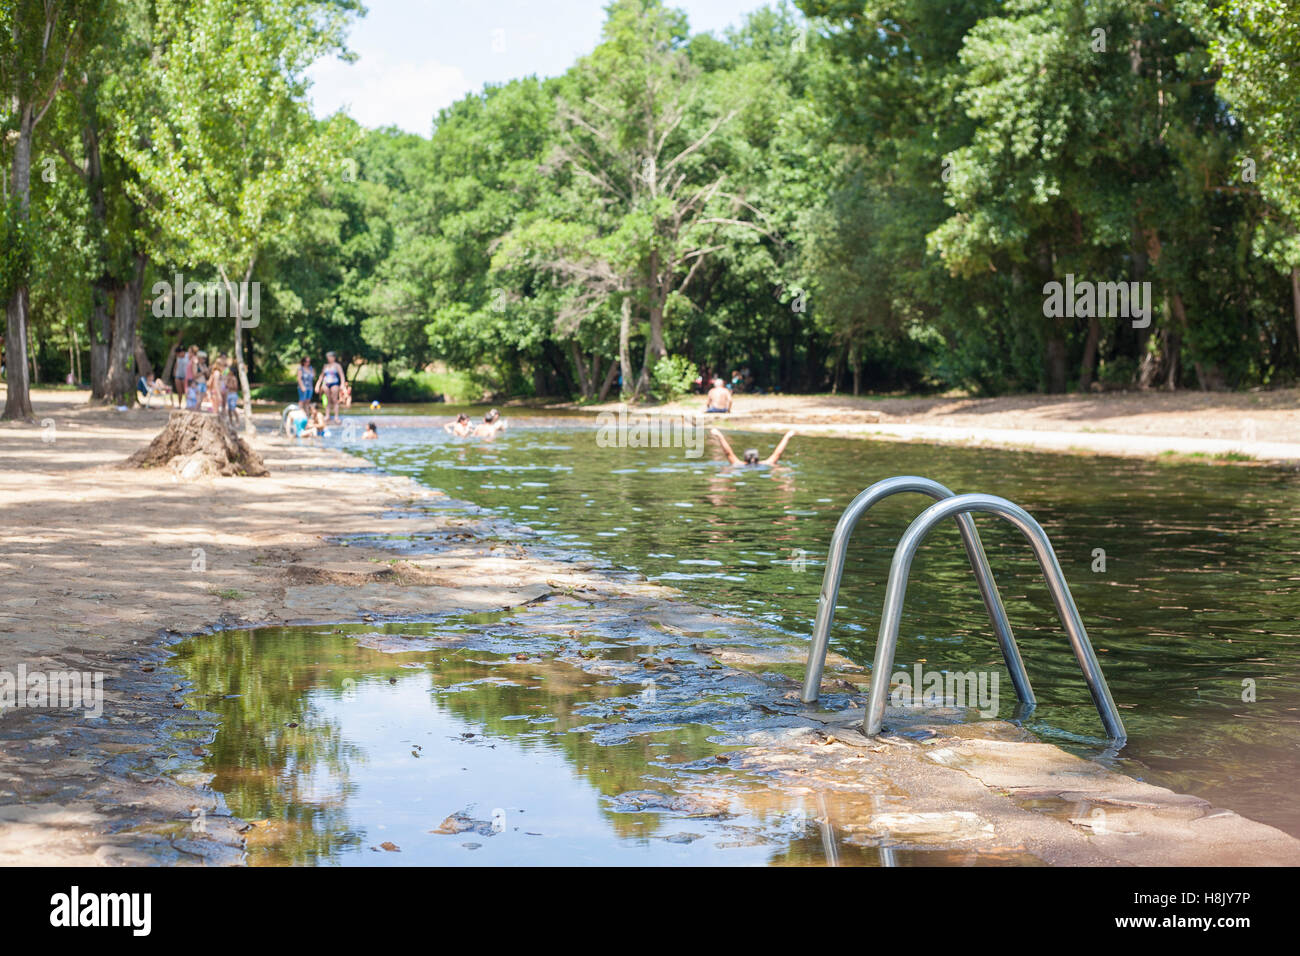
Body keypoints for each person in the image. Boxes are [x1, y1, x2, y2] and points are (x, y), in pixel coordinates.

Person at [710, 427, 795, 467]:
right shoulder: (767, 464)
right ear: (757, 457)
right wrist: (787, 437)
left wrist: (719, 436)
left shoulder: (738, 464)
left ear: (745, 458)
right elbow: (777, 454)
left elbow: (728, 453)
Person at [316, 351, 344, 423]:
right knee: (328, 400)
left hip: (334, 383)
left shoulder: (337, 365)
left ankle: (336, 417)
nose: (329, 359)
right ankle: (327, 416)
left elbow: (341, 375)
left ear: (334, 357)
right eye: (328, 357)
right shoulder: (326, 366)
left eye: (330, 357)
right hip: (326, 383)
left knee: (335, 400)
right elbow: (321, 376)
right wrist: (318, 385)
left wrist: (342, 384)